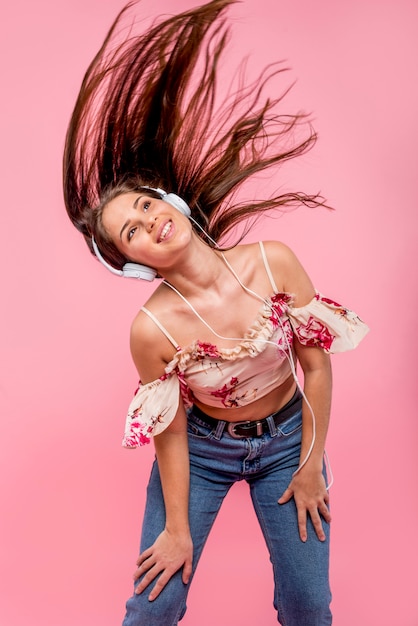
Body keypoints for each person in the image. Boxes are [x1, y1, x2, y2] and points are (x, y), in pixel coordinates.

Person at [63, 1, 369, 624]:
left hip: (287, 441)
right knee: (156, 601)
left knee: (310, 604)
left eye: (146, 206)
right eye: (132, 232)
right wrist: (177, 529)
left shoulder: (273, 262)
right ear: (134, 263)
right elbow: (170, 433)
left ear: (169, 200)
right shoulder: (151, 330)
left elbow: (316, 369)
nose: (149, 222)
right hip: (201, 449)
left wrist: (312, 467)